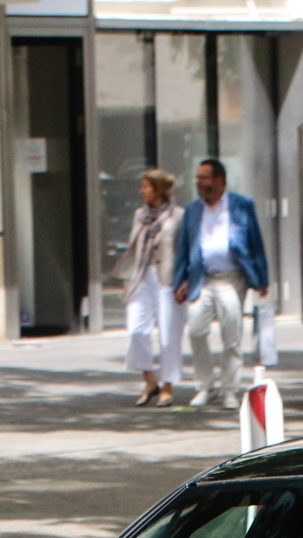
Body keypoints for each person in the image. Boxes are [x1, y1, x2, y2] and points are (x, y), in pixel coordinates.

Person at [172, 158, 270, 410]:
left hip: (231, 278)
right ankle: (206, 386)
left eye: (203, 177)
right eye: (197, 177)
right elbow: (183, 249)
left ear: (219, 180)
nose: (198, 182)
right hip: (202, 279)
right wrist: (179, 281)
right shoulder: (193, 210)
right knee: (195, 331)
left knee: (231, 336)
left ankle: (229, 390)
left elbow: (256, 243)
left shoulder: (241, 205)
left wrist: (262, 278)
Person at [115, 168, 182, 407]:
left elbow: (183, 250)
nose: (141, 190)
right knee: (136, 330)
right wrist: (127, 281)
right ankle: (150, 380)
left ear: (159, 189)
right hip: (141, 276)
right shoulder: (139, 215)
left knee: (168, 334)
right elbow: (133, 250)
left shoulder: (178, 216)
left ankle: (167, 386)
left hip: (167, 278)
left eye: (146, 186)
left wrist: (184, 281)